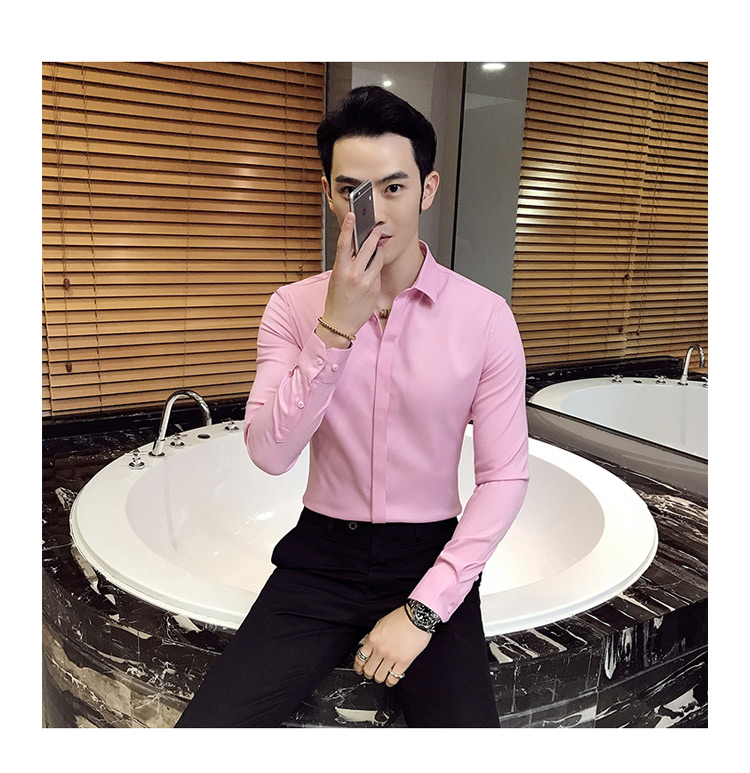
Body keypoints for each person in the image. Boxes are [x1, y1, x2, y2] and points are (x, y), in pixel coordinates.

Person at [176, 85, 529, 728]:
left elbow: (504, 476)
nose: (376, 213)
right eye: (353, 191)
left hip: (429, 555)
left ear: (427, 189)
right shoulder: (293, 307)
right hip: (320, 560)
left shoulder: (485, 317)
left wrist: (425, 609)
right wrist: (337, 325)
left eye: (394, 188)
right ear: (330, 194)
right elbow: (270, 453)